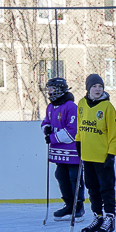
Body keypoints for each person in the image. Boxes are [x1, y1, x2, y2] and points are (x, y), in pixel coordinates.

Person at [75, 73, 116, 232]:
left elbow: (114, 133)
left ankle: (109, 218)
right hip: (88, 155)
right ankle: (98, 217)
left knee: (106, 188)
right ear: (88, 88)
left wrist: (111, 153)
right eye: (94, 86)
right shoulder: (81, 104)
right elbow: (80, 126)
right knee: (92, 188)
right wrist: (78, 143)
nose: (97, 89)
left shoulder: (107, 107)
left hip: (103, 157)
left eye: (100, 86)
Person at [41, 77, 82, 222]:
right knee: (60, 175)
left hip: (72, 150)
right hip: (59, 152)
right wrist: (46, 128)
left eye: (52, 89)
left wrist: (52, 138)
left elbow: (72, 131)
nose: (49, 92)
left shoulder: (71, 107)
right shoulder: (51, 107)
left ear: (59, 90)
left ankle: (78, 207)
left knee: (74, 177)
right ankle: (69, 205)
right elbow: (46, 121)